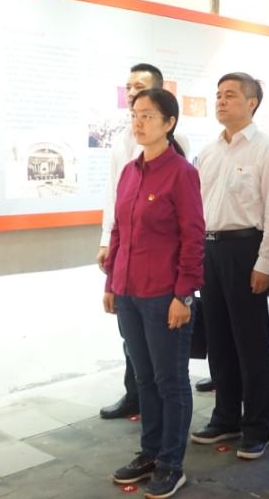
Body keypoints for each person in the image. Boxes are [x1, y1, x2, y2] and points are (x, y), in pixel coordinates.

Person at [105, 87, 204, 499]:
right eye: (135, 115)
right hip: (128, 292)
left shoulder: (181, 173)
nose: (139, 122)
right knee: (144, 378)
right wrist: (111, 283)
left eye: (148, 116)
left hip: (164, 295)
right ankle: (149, 452)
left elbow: (193, 238)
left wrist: (184, 295)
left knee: (170, 381)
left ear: (169, 123)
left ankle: (170, 463)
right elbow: (118, 230)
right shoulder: (130, 171)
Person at [191, 72, 269, 461]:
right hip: (211, 250)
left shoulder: (268, 150)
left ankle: (258, 425)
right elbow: (198, 209)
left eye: (230, 95)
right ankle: (225, 416)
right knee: (218, 340)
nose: (221, 101)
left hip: (246, 249)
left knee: (251, 343)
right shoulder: (208, 152)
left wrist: (265, 262)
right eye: (218, 95)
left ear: (252, 103)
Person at [96, 63, 165, 420]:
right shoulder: (121, 139)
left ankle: (157, 404)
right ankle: (134, 394)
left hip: (154, 253)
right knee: (130, 329)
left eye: (140, 86)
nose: (132, 92)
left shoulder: (172, 142)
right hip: (124, 248)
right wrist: (106, 241)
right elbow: (113, 195)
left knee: (155, 336)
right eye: (129, 87)